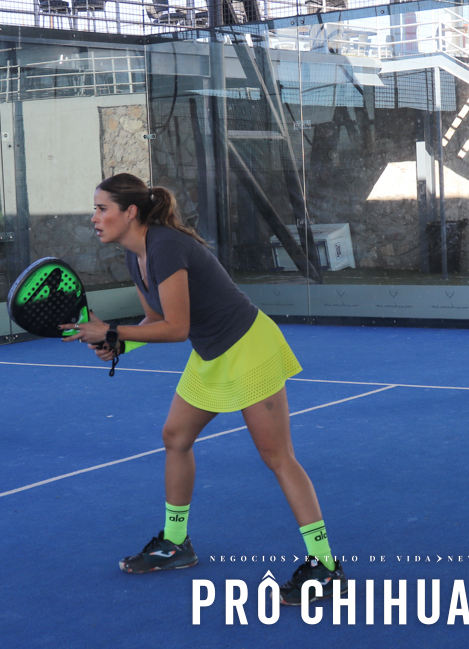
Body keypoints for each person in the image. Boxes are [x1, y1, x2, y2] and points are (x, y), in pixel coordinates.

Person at [61, 172, 344, 604]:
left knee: (276, 456)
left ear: (130, 212)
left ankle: (325, 567)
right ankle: (176, 544)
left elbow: (177, 328)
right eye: (94, 209)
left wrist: (113, 330)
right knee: (175, 437)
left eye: (102, 209)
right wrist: (119, 343)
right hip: (211, 353)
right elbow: (156, 320)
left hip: (250, 348)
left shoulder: (166, 246)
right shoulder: (135, 256)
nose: (94, 218)